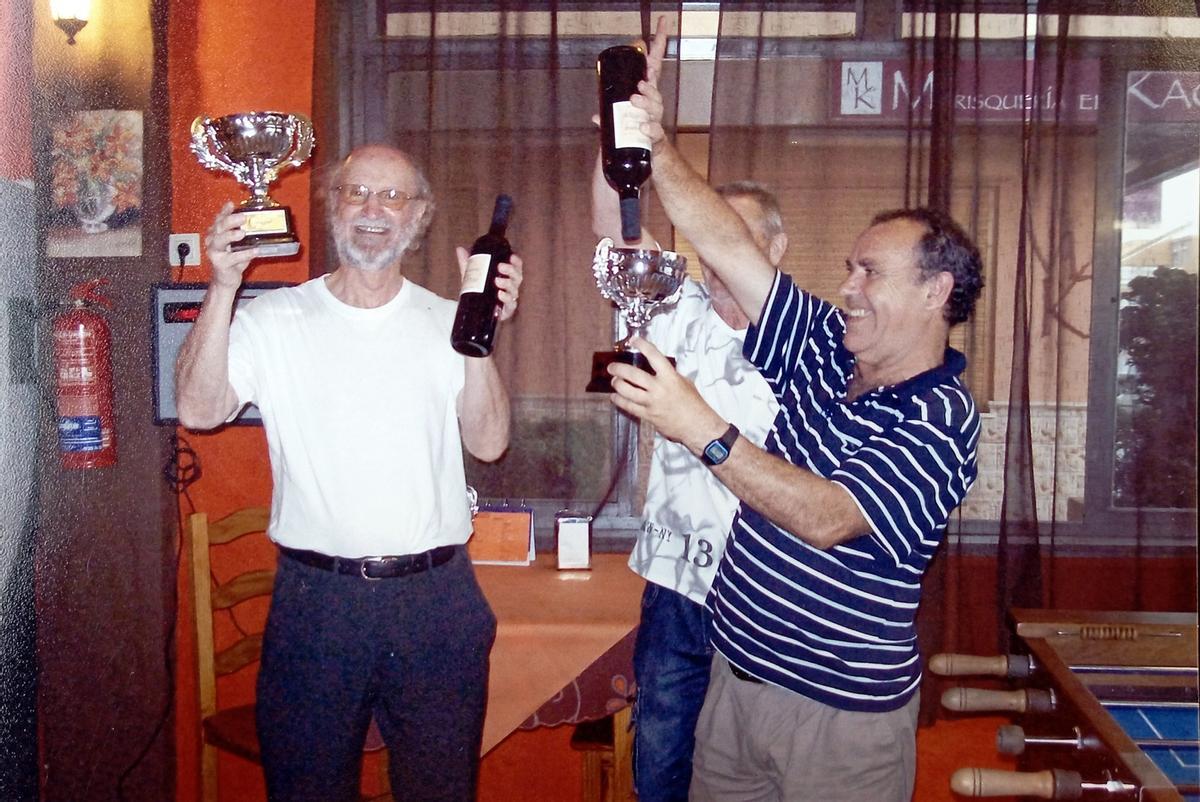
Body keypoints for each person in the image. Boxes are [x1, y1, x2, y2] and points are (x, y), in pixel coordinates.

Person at [607, 22, 985, 802]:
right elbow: (726, 243)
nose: (846, 285)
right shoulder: (825, 347)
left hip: (836, 725)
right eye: (847, 268)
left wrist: (700, 427)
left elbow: (826, 516)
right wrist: (654, 137)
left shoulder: (943, 419)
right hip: (734, 682)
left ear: (934, 292)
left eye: (868, 272)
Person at [175, 144, 523, 802]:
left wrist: (481, 328)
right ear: (332, 208)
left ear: (417, 218)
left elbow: (490, 442)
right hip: (318, 606)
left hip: (436, 604)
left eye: (392, 197)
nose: (373, 209)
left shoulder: (446, 320)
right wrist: (222, 286)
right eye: (357, 192)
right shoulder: (273, 320)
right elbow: (197, 407)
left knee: (441, 793)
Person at [591, 156, 785, 801]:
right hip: (677, 586)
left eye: (740, 236)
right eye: (708, 238)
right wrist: (620, 130)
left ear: (777, 249)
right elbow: (613, 236)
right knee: (662, 760)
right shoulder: (675, 309)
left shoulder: (811, 339)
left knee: (750, 770)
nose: (722, 253)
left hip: (770, 594)